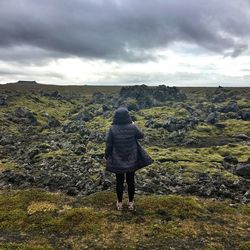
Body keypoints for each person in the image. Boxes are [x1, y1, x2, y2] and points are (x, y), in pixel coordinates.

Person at [104, 107, 153, 211]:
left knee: (119, 182)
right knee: (131, 181)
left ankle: (120, 203)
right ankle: (130, 203)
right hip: (132, 159)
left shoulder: (112, 129)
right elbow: (141, 135)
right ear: (127, 116)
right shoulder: (132, 127)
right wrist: (134, 125)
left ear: (116, 117)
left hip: (117, 160)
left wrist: (106, 156)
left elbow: (109, 144)